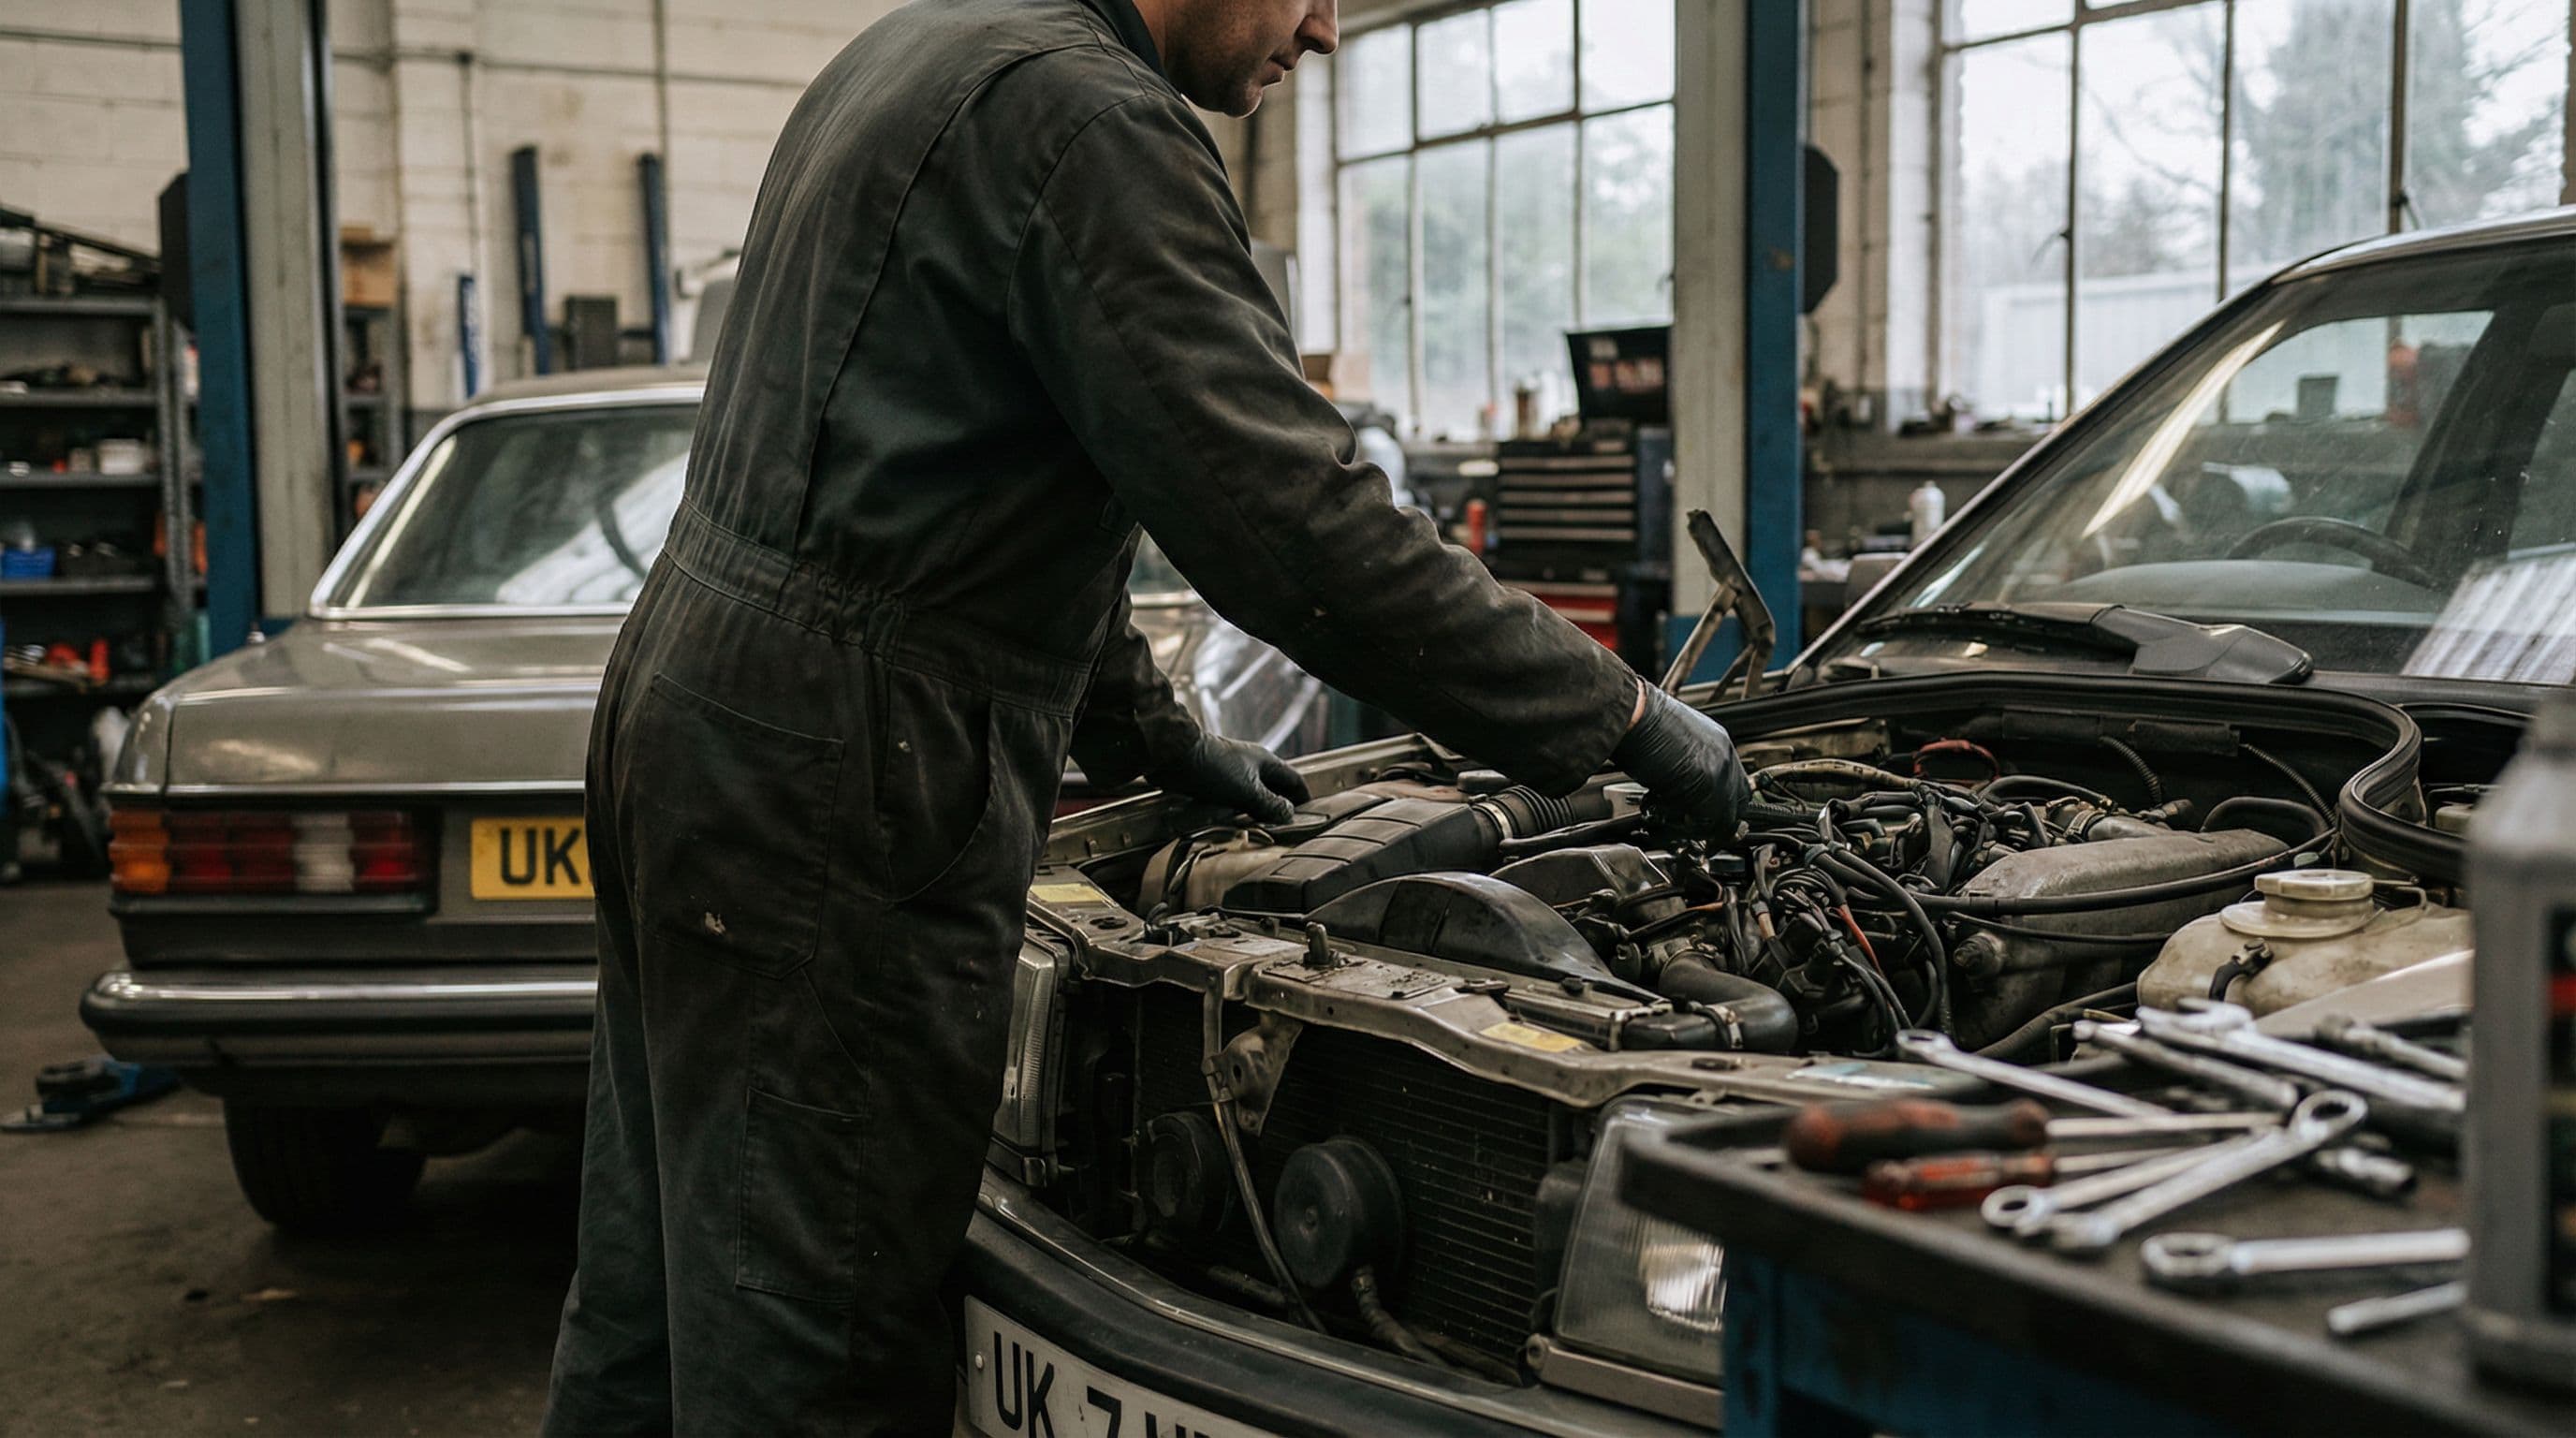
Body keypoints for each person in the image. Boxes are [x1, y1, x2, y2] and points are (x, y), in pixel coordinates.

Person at [540, 0, 1751, 1431]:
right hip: (842, 770)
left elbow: (967, 496)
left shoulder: (928, 46)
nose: (1328, 24)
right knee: (818, 1331)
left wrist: (1150, 730)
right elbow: (1291, 517)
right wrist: (1625, 717)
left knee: (657, 1285)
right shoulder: (1097, 123)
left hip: (700, 711)